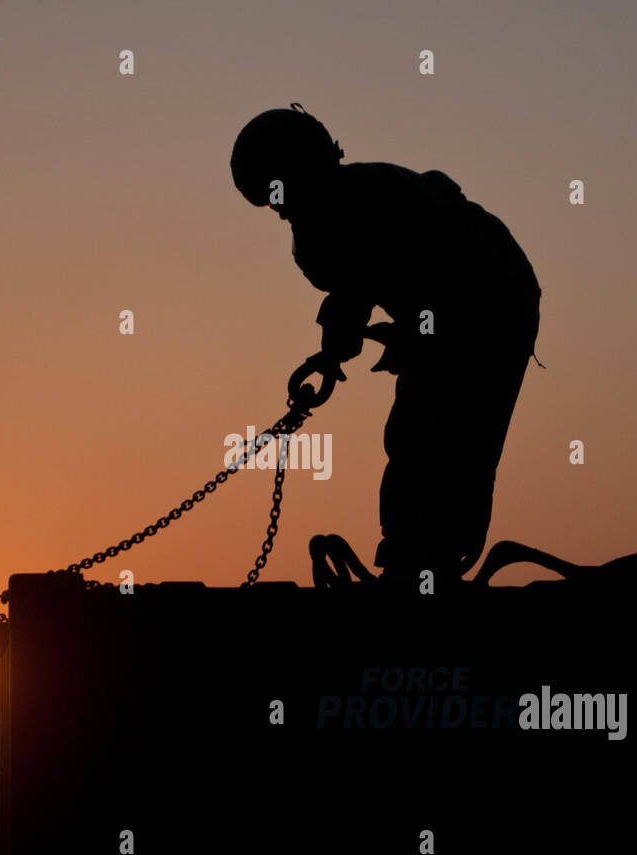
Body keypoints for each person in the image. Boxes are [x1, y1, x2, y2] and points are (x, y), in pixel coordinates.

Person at [231, 104, 541, 583]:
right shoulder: (319, 233)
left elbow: (366, 278)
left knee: (454, 435)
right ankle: (413, 558)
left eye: (281, 194)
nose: (282, 209)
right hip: (444, 316)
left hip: (494, 302)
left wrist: (343, 345)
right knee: (416, 433)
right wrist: (336, 350)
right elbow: (354, 288)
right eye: (273, 203)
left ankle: (427, 562)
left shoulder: (375, 194)